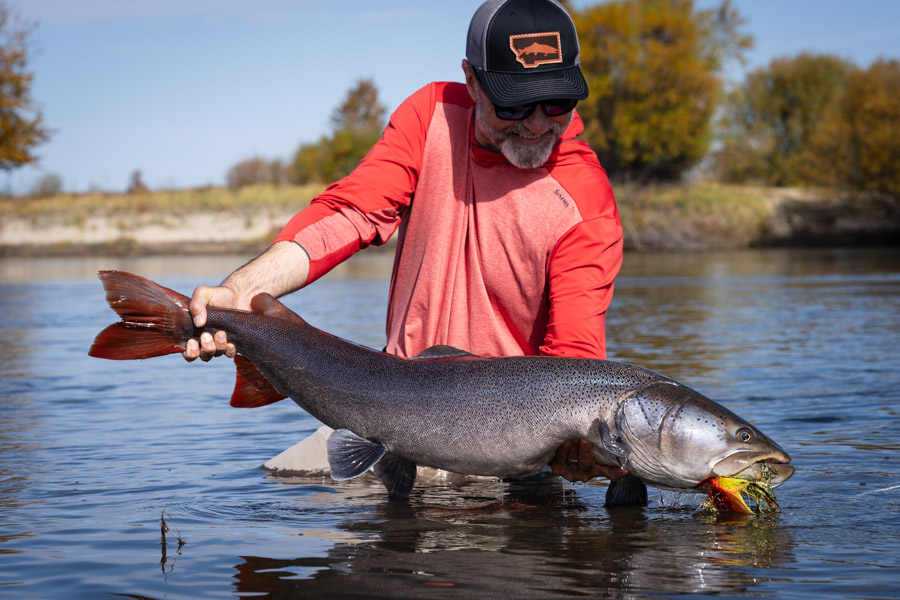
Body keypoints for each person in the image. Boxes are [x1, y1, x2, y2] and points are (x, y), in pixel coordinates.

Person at [184, 0, 626, 485]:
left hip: (506, 458)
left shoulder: (587, 200)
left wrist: (578, 449)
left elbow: (574, 361)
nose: (539, 124)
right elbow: (348, 215)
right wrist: (242, 292)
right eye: (514, 104)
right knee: (275, 488)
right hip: (386, 418)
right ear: (472, 81)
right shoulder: (432, 115)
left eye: (557, 102)